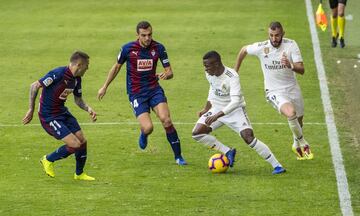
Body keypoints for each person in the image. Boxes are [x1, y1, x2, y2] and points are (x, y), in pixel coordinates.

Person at [97, 21, 187, 165]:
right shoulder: (128, 49)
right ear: (137, 35)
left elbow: (170, 72)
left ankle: (178, 156)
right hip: (136, 93)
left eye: (150, 34)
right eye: (144, 35)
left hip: (154, 90)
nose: (147, 38)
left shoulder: (159, 48)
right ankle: (144, 134)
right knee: (148, 127)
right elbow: (116, 68)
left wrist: (166, 75)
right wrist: (104, 86)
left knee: (166, 120)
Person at [192, 51, 285, 174]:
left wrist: (217, 116)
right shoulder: (209, 74)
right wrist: (206, 108)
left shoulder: (232, 76)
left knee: (248, 137)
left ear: (217, 64)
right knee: (197, 133)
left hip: (235, 111)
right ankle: (228, 151)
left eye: (207, 66)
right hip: (216, 109)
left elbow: (235, 101)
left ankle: (277, 166)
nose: (205, 69)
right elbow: (213, 90)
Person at [234, 21, 314, 160]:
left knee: (298, 122)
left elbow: (302, 70)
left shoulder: (291, 45)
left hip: (292, 88)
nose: (274, 39)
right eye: (271, 35)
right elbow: (243, 50)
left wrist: (290, 65)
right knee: (291, 113)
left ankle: (296, 144)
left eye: (277, 35)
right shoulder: (262, 47)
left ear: (283, 33)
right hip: (274, 91)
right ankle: (303, 142)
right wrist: (236, 72)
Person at [22, 51, 97, 180]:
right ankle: (47, 160)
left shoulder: (77, 79)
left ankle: (79, 174)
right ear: (79, 64)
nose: (88, 68)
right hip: (49, 116)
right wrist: (31, 109)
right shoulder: (58, 74)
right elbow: (34, 86)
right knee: (74, 144)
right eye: (86, 65)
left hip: (62, 112)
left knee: (82, 141)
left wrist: (88, 109)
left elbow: (78, 100)